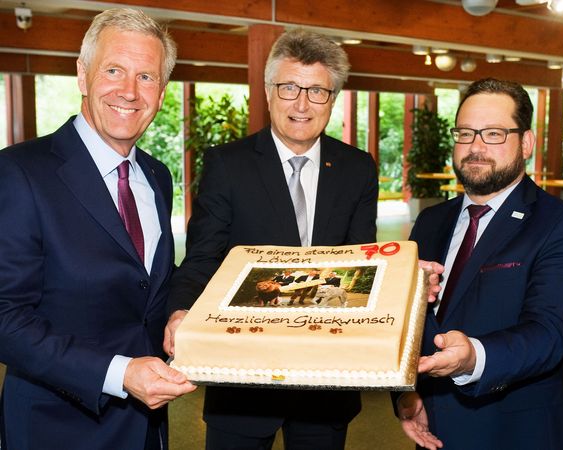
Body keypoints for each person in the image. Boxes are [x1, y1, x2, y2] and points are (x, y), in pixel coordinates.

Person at [164, 28, 379, 449]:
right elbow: (203, 256)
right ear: (268, 92)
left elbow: (362, 265)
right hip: (243, 378)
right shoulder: (228, 165)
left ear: (333, 100)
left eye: (317, 91)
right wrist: (180, 311)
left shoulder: (357, 168)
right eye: (289, 88)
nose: (301, 104)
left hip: (325, 377)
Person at [0, 9, 196, 449]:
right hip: (59, 429)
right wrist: (119, 373)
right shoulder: (19, 173)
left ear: (162, 93)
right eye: (113, 70)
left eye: (146, 77)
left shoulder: (157, 176)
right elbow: (4, 318)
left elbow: (147, 289)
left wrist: (182, 313)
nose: (129, 91)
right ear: (83, 75)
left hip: (148, 428)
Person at [395, 78, 563, 450]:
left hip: (520, 433)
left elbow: (549, 333)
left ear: (526, 143)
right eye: (466, 133)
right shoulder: (431, 221)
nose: (475, 147)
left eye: (493, 133)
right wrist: (410, 394)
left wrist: (474, 356)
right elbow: (412, 321)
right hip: (434, 431)